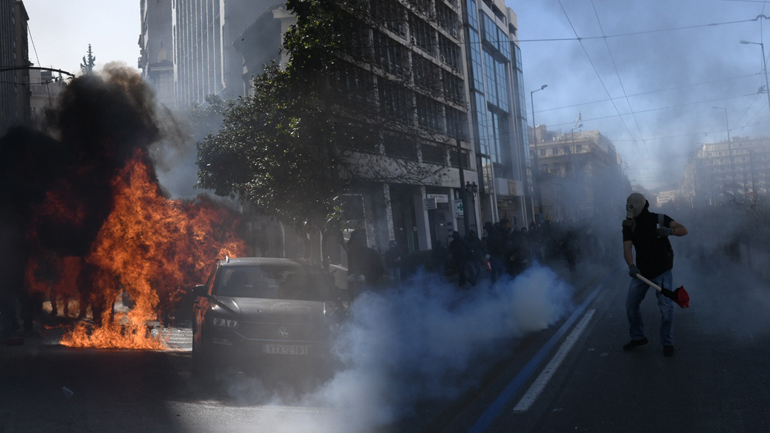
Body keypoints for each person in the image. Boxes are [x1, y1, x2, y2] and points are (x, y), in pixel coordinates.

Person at [622, 192, 688, 357]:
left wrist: (670, 231)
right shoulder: (629, 225)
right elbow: (627, 248)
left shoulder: (660, 219)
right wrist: (631, 265)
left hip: (662, 272)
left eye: (632, 206)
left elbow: (683, 229)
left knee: (666, 308)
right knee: (631, 305)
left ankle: (667, 343)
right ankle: (638, 337)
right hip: (641, 273)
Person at [346, 229, 385, 299]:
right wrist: (349, 277)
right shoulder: (350, 254)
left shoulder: (371, 253)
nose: (352, 246)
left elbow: (380, 270)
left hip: (370, 290)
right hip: (355, 292)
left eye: (354, 243)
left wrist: (366, 277)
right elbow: (349, 270)